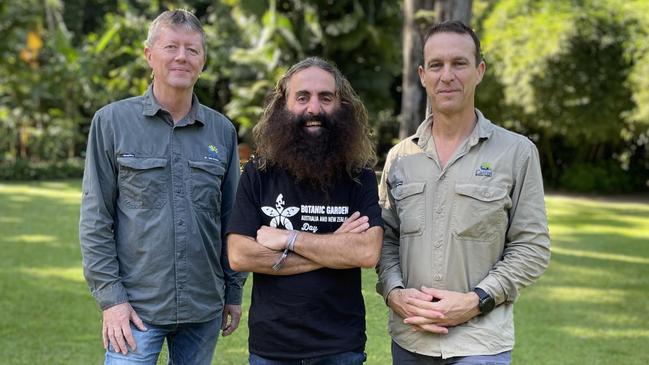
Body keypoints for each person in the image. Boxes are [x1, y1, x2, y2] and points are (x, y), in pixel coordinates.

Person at [376, 20, 551, 364]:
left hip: (480, 343)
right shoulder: (400, 158)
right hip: (410, 339)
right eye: (437, 66)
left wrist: (476, 300)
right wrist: (394, 291)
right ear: (423, 75)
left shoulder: (516, 152)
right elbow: (385, 240)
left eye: (459, 63)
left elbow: (532, 246)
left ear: (479, 71)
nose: (447, 75)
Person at [79, 9, 246, 364]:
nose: (182, 57)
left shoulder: (222, 132)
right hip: (137, 308)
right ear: (149, 55)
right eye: (171, 46)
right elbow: (96, 219)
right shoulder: (111, 123)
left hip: (203, 305)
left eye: (192, 50)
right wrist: (112, 301)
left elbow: (234, 220)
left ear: (203, 61)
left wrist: (233, 291)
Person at [226, 57, 383, 365]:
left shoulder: (358, 174)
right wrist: (334, 246)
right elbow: (239, 255)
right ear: (282, 105)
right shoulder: (259, 172)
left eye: (325, 97)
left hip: (340, 348)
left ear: (342, 105)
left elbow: (366, 252)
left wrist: (288, 238)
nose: (314, 109)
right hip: (272, 349)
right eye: (302, 97)